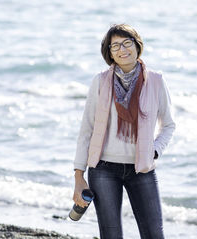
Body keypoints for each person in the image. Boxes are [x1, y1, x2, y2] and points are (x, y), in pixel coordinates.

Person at [72, 24, 176, 239]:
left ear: (137, 45)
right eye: (115, 46)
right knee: (111, 236)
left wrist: (154, 151)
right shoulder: (100, 81)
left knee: (154, 235)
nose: (122, 49)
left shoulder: (156, 81)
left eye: (127, 43)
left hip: (142, 170)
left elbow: (168, 125)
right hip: (103, 170)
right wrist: (79, 177)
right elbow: (87, 130)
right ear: (109, 53)